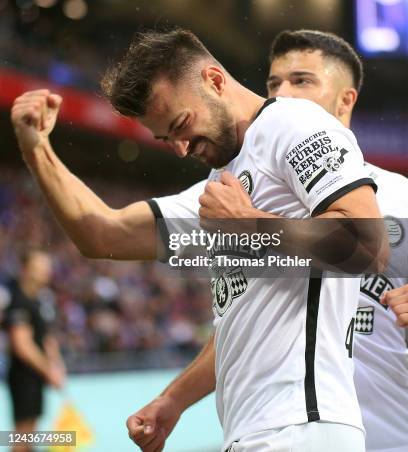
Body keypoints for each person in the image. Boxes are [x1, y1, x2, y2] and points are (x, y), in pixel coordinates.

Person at [11, 29, 387, 452]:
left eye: (181, 125)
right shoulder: (220, 188)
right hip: (257, 429)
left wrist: (252, 226)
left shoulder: (293, 123)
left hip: (301, 424)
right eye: (166, 139)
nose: (180, 148)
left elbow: (368, 245)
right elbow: (104, 233)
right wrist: (37, 150)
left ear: (214, 80)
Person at [266, 30, 408, 452]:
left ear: (345, 101)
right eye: (273, 84)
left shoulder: (399, 199)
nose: (281, 97)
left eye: (301, 81)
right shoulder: (251, 196)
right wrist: (173, 400)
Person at [4, 249, 65, 452]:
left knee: (31, 431)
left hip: (35, 375)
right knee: (23, 433)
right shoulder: (18, 300)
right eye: (41, 267)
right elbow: (22, 345)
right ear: (26, 269)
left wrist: (56, 364)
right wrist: (49, 370)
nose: (47, 271)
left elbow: (46, 337)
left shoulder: (39, 300)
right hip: (23, 375)